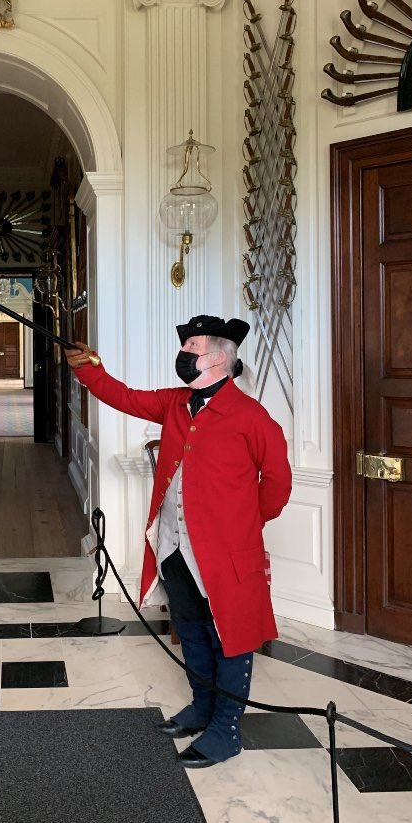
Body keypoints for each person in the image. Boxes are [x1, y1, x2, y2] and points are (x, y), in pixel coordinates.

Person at [65, 315, 292, 768]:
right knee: (189, 628)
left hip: (226, 553)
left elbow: (278, 485)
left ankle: (226, 729)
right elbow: (125, 397)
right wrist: (88, 368)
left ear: (221, 359)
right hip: (173, 543)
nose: (184, 356)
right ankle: (201, 708)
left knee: (228, 635)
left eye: (192, 349)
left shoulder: (252, 416)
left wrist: (240, 526)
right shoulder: (175, 403)